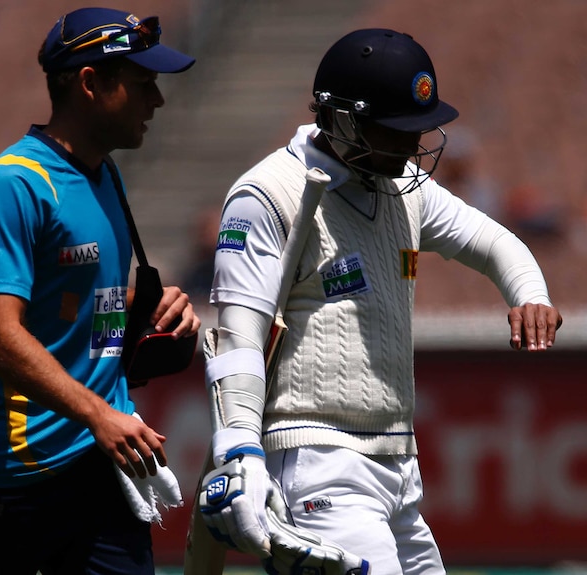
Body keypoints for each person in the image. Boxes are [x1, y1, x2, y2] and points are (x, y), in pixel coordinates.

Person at [191, 28, 562, 575]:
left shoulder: (402, 183)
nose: (413, 146)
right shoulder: (267, 194)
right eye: (395, 131)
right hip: (317, 460)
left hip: (397, 465)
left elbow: (496, 243)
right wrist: (240, 450)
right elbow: (238, 337)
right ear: (342, 119)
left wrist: (530, 294)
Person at [0, 7, 200, 575]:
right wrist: (98, 415)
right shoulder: (14, 185)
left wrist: (148, 307)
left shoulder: (106, 175)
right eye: (142, 83)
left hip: (101, 475)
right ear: (90, 83)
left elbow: (84, 308)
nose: (156, 101)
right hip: (14, 484)